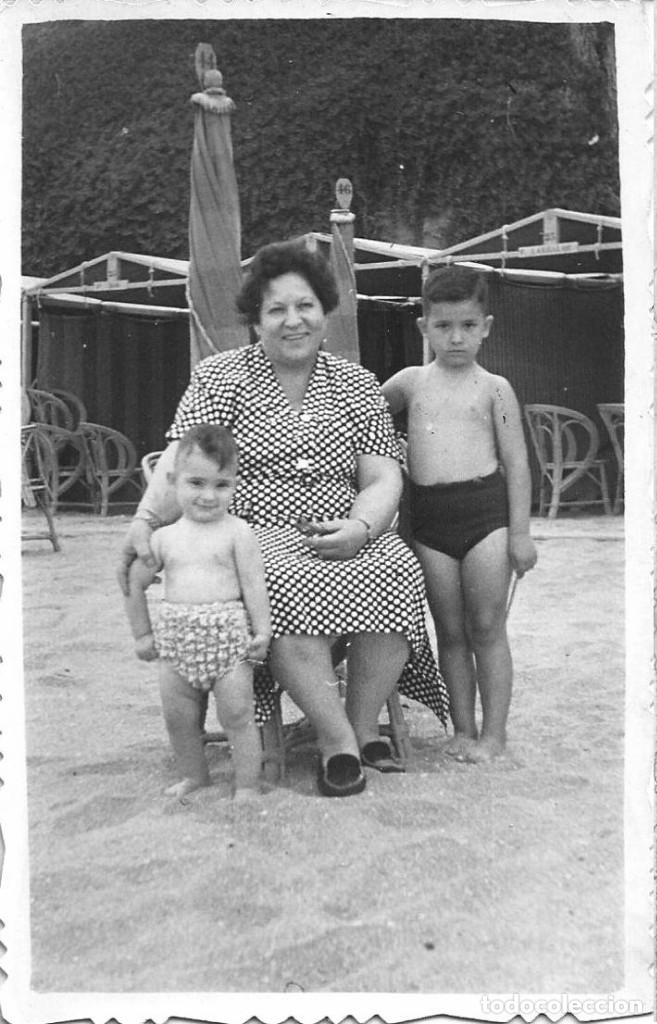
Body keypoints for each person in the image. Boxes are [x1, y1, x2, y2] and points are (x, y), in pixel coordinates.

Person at [118, 239, 448, 798]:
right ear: (255, 321)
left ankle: (363, 721)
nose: (293, 320)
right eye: (276, 309)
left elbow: (382, 477)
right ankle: (340, 738)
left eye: (305, 306)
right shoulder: (222, 377)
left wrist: (363, 528)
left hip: (345, 528)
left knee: (399, 568)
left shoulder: (356, 383)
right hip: (253, 532)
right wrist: (146, 519)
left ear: (325, 311)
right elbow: (181, 463)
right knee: (281, 580)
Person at [382, 265, 537, 764]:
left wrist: (521, 535)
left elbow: (517, 465)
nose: (456, 338)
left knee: (487, 626)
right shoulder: (409, 383)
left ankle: (494, 735)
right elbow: (360, 413)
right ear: (423, 328)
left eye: (468, 326)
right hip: (430, 523)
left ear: (486, 326)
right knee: (449, 631)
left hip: (485, 517)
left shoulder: (497, 389)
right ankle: (463, 730)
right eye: (443, 326)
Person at [124, 424, 271, 800]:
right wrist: (142, 633)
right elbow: (134, 583)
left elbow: (254, 585)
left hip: (227, 642)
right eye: (196, 483)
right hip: (176, 644)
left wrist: (263, 631)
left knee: (237, 715)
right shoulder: (165, 537)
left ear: (235, 484)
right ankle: (194, 775)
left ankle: (247, 784)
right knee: (179, 718)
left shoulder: (238, 532)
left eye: (221, 485)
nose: (208, 496)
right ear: (173, 482)